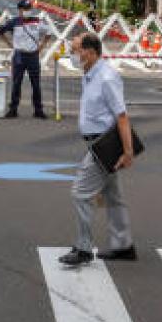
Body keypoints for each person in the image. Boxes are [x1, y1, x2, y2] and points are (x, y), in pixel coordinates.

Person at [58, 33, 135, 266]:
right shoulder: (90, 74)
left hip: (104, 144)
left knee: (80, 192)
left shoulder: (106, 78)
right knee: (113, 196)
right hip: (96, 142)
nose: (72, 55)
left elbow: (121, 116)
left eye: (75, 50)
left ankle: (83, 248)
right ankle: (123, 246)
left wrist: (128, 152)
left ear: (89, 52)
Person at [0, 0, 52, 119]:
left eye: (29, 9)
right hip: (19, 55)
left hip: (33, 55)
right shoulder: (14, 22)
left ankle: (38, 110)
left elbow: (49, 32)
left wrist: (42, 46)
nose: (27, 11)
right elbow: (0, 31)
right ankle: (13, 109)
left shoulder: (37, 21)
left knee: (36, 84)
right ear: (20, 10)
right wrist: (9, 45)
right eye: (24, 9)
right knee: (16, 83)